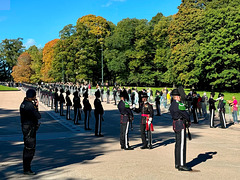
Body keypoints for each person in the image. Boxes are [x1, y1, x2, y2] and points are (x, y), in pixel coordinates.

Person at [169, 89, 192, 171]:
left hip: (176, 124)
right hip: (180, 124)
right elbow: (186, 114)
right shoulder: (179, 104)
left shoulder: (172, 104)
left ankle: (177, 163)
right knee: (182, 145)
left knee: (177, 144)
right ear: (177, 97)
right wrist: (188, 119)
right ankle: (182, 164)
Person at [20, 89, 41, 175]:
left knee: (27, 148)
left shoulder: (23, 104)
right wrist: (36, 107)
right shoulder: (30, 106)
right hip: (30, 128)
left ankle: (26, 167)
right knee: (30, 149)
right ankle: (27, 168)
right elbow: (38, 116)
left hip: (25, 126)